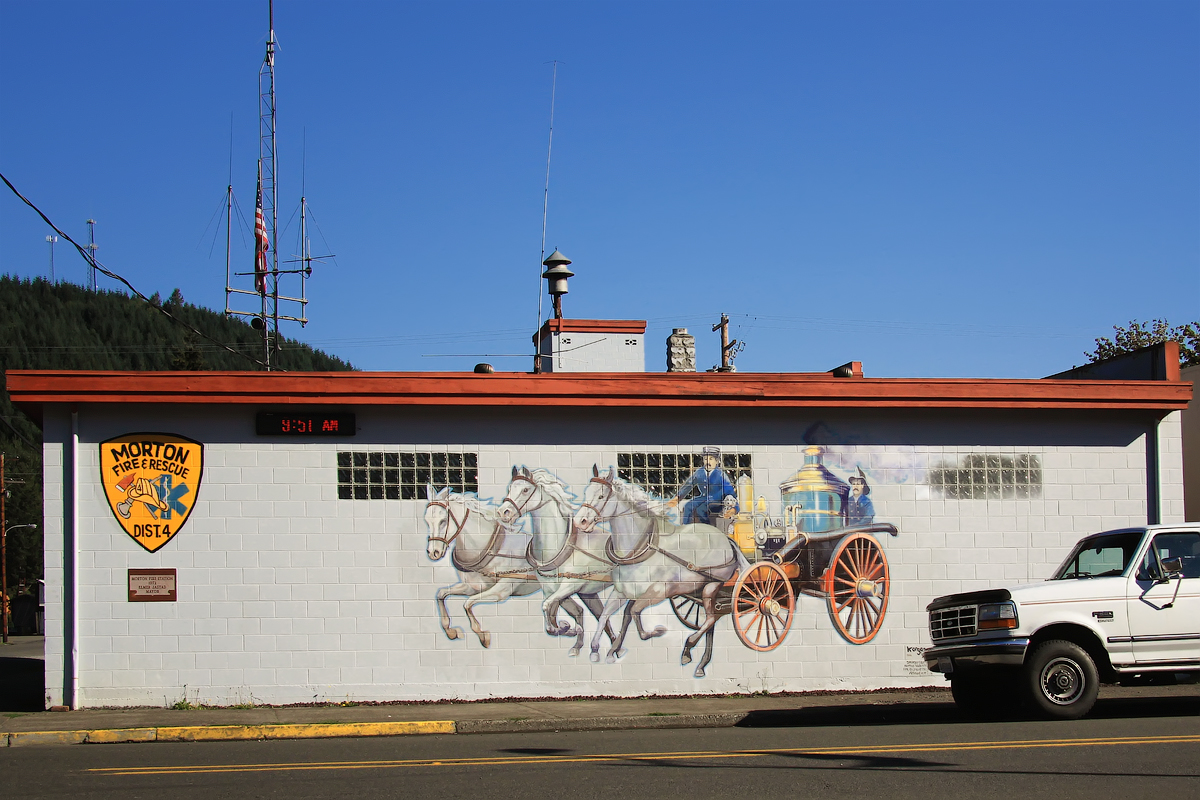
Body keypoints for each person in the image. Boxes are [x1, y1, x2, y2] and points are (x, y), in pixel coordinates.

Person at [669, 446, 738, 526]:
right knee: (688, 506)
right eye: (705, 459)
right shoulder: (700, 472)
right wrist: (678, 497)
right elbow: (688, 485)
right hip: (703, 498)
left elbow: (731, 494)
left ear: (717, 461)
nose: (708, 462)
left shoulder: (721, 475)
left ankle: (707, 528)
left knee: (701, 510)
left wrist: (734, 508)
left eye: (711, 459)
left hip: (717, 502)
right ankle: (685, 527)